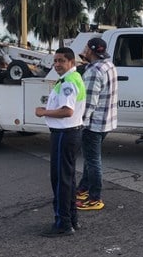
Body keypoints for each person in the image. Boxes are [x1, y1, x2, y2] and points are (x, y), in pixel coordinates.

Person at [35, 47, 86, 237]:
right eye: (55, 61)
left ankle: (63, 224)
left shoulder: (67, 83)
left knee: (59, 181)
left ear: (71, 62)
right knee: (69, 179)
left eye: (61, 61)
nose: (57, 64)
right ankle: (72, 220)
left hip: (64, 134)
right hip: (71, 133)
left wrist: (43, 112)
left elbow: (67, 111)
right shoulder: (75, 78)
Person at [75, 38, 118, 211]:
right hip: (107, 121)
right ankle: (83, 188)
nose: (84, 50)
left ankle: (94, 198)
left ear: (90, 51)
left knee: (92, 161)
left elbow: (89, 102)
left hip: (93, 123)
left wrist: (80, 123)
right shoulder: (109, 65)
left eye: (86, 47)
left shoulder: (94, 71)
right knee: (90, 159)